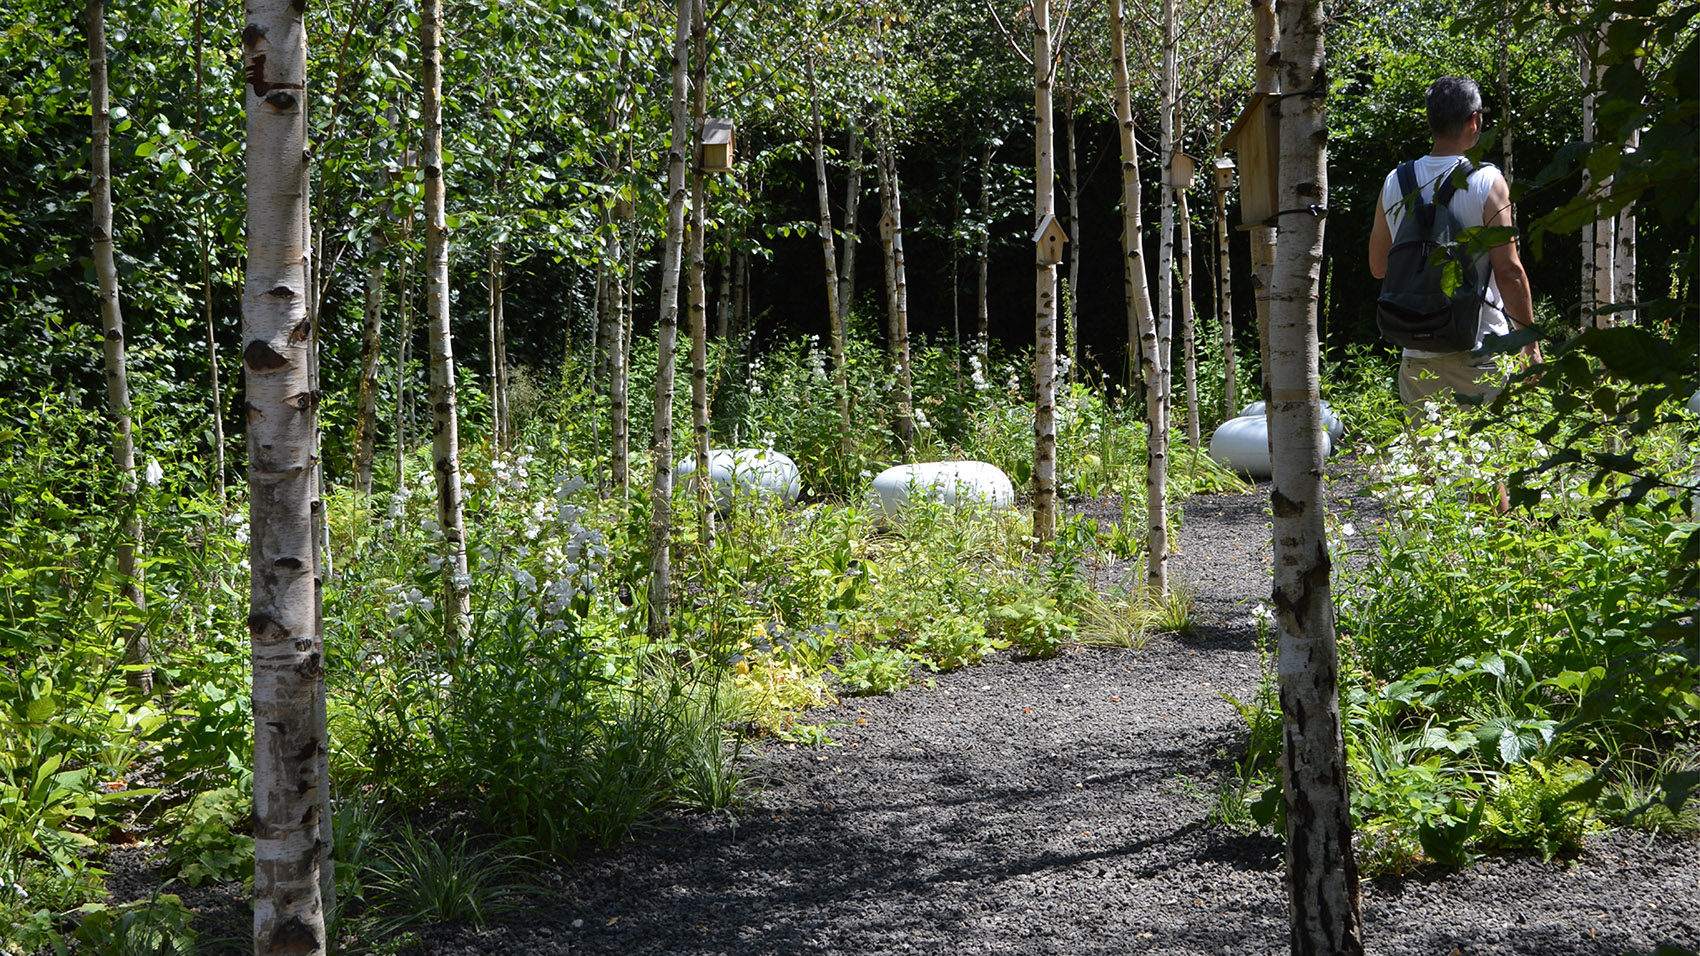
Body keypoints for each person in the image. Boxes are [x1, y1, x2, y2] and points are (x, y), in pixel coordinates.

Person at [1368, 76, 1541, 410]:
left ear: (1430, 121)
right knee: (1492, 458)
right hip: (1481, 352)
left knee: (1426, 460)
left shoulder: (1395, 181)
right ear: (1474, 120)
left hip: (1417, 356)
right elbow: (1509, 271)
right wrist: (1530, 345)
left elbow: (1379, 268)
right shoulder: (1487, 181)